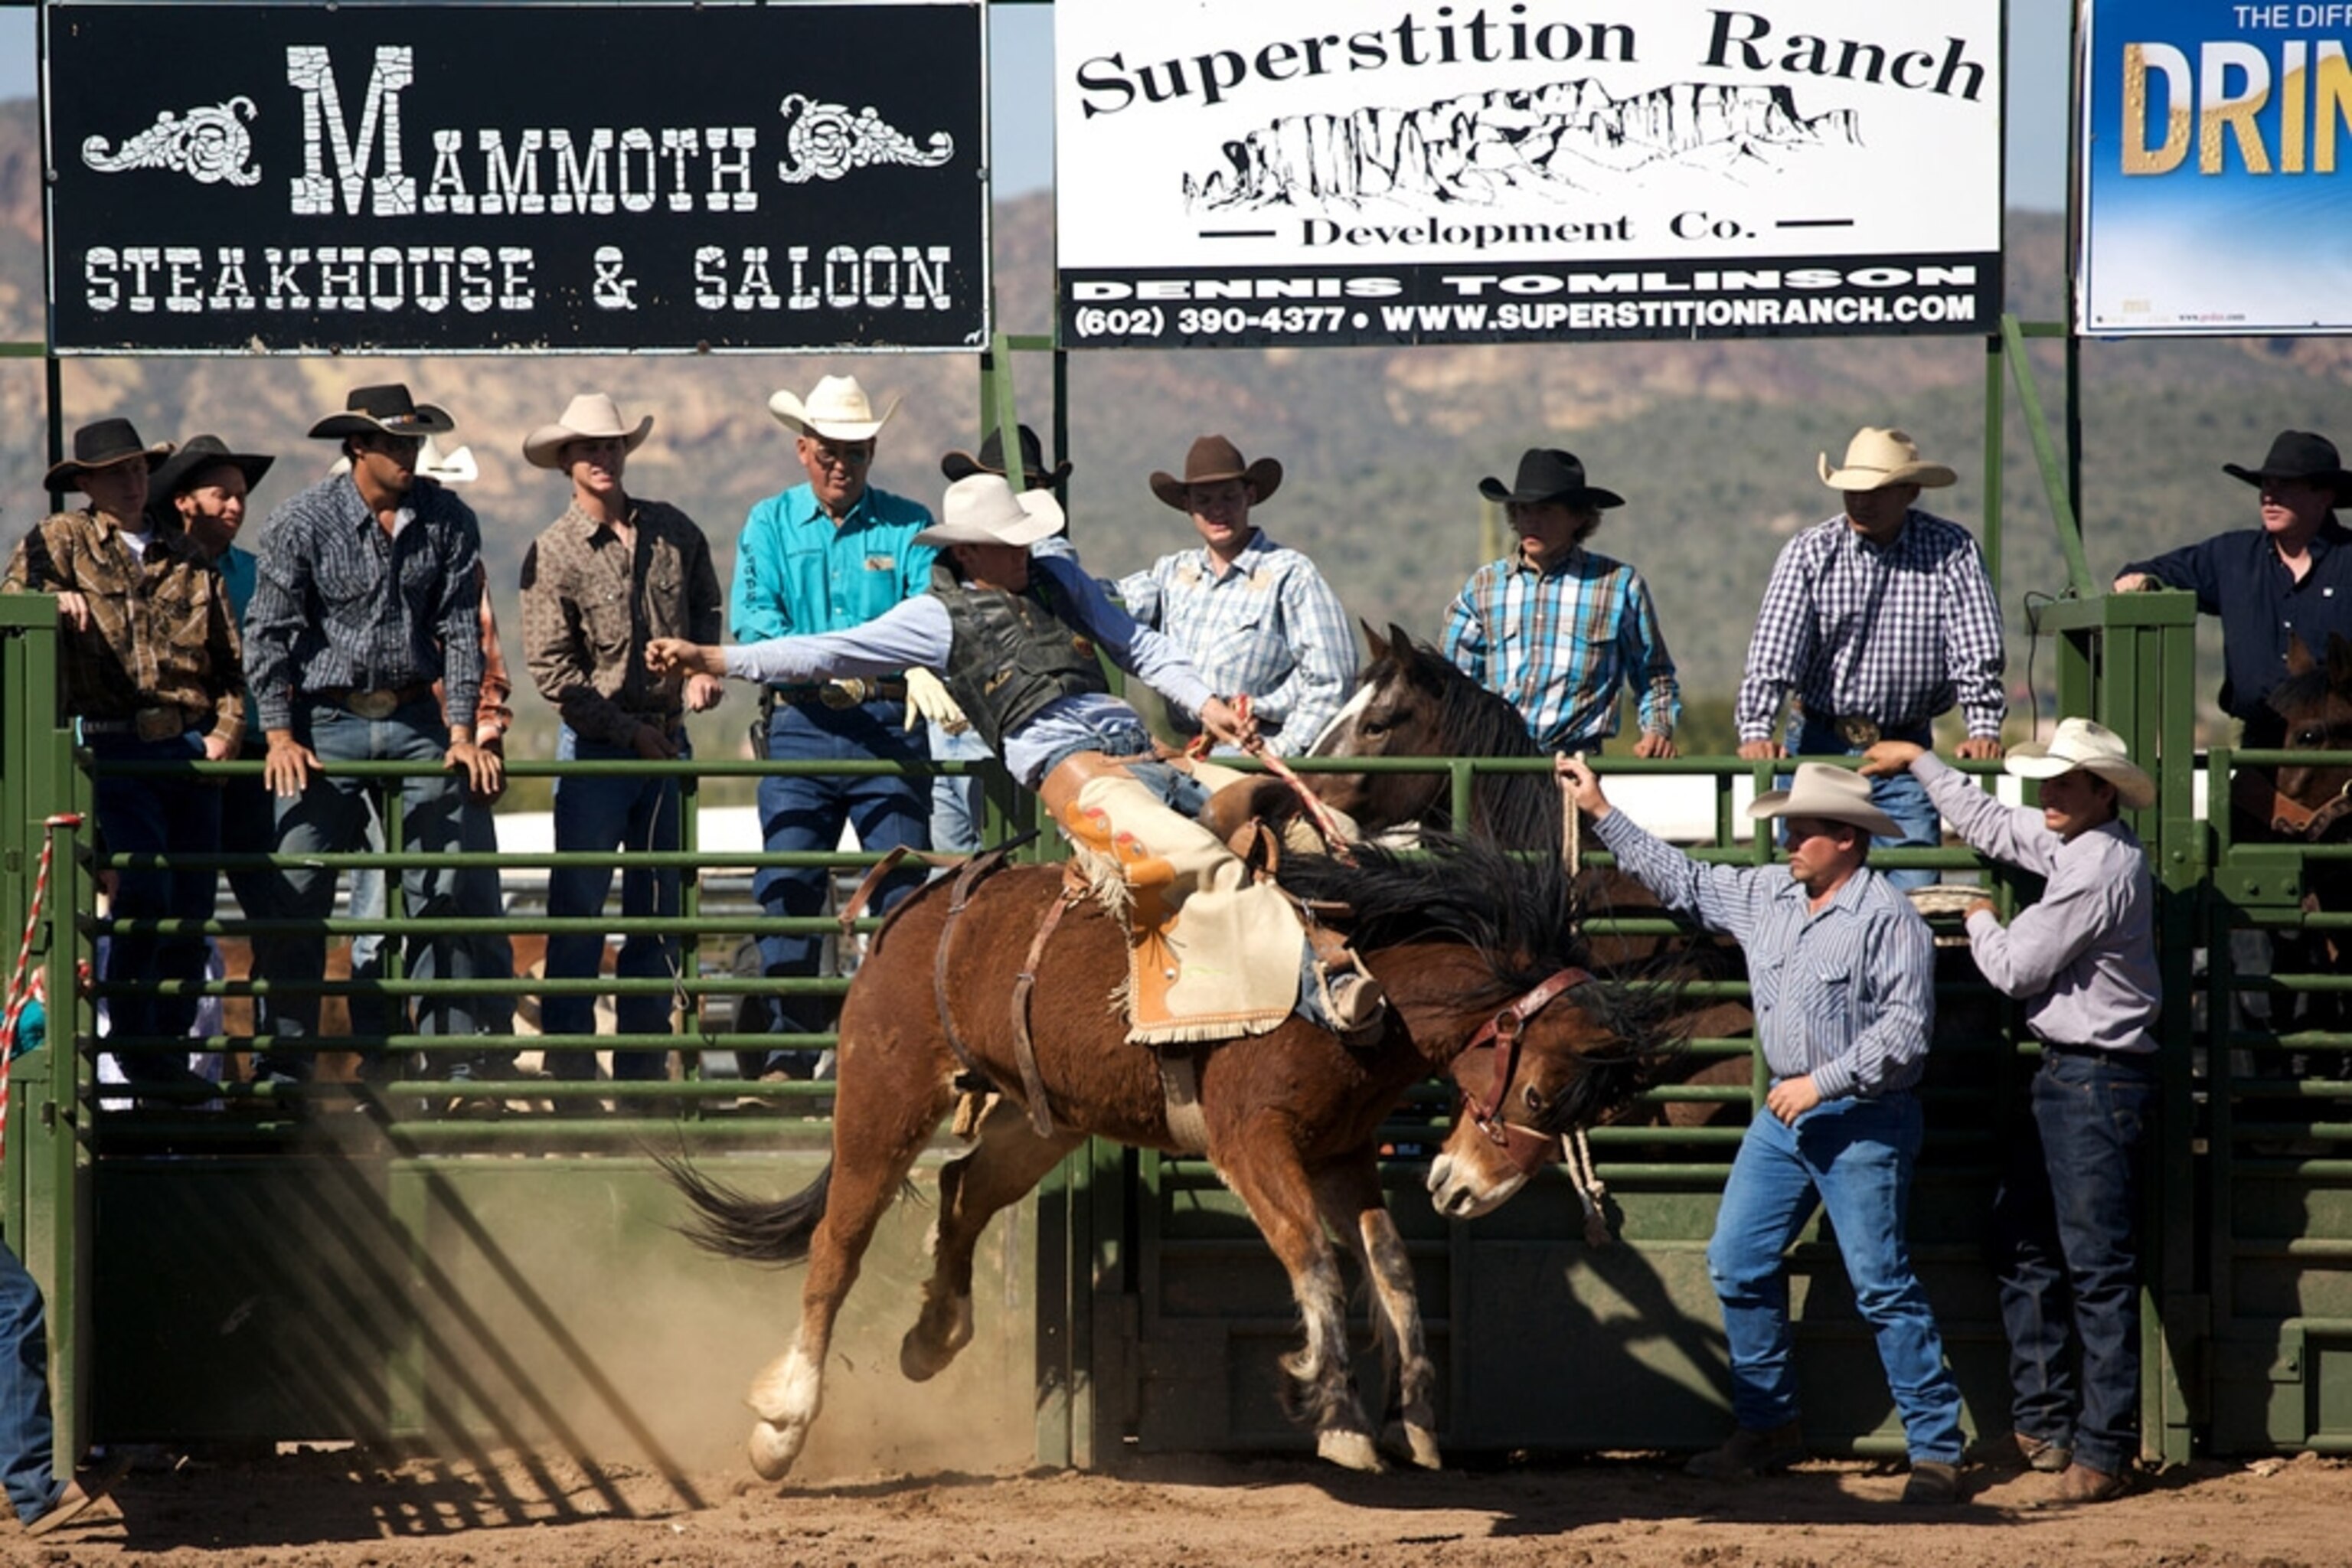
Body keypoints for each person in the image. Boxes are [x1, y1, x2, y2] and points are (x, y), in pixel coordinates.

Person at [651, 473, 1384, 1046]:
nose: (1025, 549)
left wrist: (1209, 701)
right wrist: (713, 655)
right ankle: (1312, 989)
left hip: (1146, 750)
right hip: (1077, 775)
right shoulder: (933, 618)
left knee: (1314, 828)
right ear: (967, 551)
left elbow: (1140, 644)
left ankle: (1363, 962)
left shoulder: (1058, 583)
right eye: (1010, 540)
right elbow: (826, 651)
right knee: (1189, 855)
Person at [1556, 755, 1965, 1505]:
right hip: (1791, 1117)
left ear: (1846, 837)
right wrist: (1600, 809)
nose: (1787, 838)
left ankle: (1937, 1447)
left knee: (1881, 1283)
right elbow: (1683, 878)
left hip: (1862, 1117)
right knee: (1737, 1258)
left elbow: (1906, 1033)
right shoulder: (1769, 894)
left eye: (1802, 828)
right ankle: (1770, 1423)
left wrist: (1821, 1080)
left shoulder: (1888, 921)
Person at [1862, 720, 2160, 1505]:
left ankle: (2101, 1448)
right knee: (2026, 1239)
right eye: (2048, 781)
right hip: (2077, 1076)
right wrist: (1922, 761)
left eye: (2064, 782)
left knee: (2092, 1263)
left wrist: (1976, 917)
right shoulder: (2082, 843)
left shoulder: (2097, 867)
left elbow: (2016, 966)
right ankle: (2046, 1425)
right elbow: (1996, 821)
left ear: (2101, 790)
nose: (2048, 795)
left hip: (2094, 1075)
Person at [241, 384, 498, 1087]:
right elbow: (268, 630)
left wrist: (461, 729)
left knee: (440, 885)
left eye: (414, 441)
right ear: (358, 446)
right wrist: (279, 734)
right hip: (327, 720)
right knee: (297, 886)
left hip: (417, 718)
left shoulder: (448, 519)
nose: (409, 452)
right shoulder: (302, 520)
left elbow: (458, 630)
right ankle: (284, 1065)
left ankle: (452, 1065)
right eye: (395, 442)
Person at [4, 419, 243, 1095]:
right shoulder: (59, 542)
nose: (133, 483)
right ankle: (140, 1042)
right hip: (110, 741)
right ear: (85, 484)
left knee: (191, 906)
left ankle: (162, 1047)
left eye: (139, 470)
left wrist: (225, 730)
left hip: (188, 746)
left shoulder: (188, 555)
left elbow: (230, 666)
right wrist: (51, 601)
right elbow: (12, 611)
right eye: (116, 474)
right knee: (145, 886)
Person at [521, 393, 724, 1099]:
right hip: (601, 751)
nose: (602, 458)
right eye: (588, 449)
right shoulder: (553, 551)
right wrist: (625, 731)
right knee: (577, 915)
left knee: (659, 917)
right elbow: (553, 671)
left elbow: (708, 608)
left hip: (664, 742)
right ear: (567, 463)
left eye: (610, 446)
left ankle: (643, 1075)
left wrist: (702, 666)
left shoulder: (674, 531)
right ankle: (569, 1073)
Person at [730, 375, 934, 1080]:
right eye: (828, 450)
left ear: (872, 450)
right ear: (802, 448)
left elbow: (927, 614)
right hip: (800, 723)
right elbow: (754, 623)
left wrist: (864, 662)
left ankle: (903, 1058)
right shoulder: (767, 524)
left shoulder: (910, 525)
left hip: (887, 720)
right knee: (787, 884)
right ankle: (786, 1054)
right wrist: (826, 668)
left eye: (855, 449)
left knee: (905, 894)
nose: (840, 462)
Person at [1734, 427, 2007, 891]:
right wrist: (1757, 730)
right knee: (1811, 887)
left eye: (1875, 491)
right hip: (1822, 741)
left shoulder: (1951, 551)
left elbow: (1975, 648)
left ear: (1910, 492)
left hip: (1905, 748)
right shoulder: (1811, 552)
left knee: (1914, 890)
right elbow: (1774, 648)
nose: (1860, 502)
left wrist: (1983, 728)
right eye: (1852, 490)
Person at [2113, 430, 2352, 748]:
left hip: (2339, 749)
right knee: (2242, 796)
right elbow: (2150, 573)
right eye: (2266, 485)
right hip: (2258, 745)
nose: (2270, 495)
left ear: (2325, 496)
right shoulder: (2231, 557)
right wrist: (2139, 580)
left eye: (2286, 485)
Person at [1119, 436, 1355, 756]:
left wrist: (1280, 749)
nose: (1218, 510)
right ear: (1188, 506)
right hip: (1191, 745)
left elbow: (1331, 680)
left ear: (1249, 496)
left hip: (1256, 745)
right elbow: (1112, 602)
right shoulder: (1172, 573)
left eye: (1229, 497)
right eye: (1204, 501)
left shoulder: (1291, 575)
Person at [1441, 447, 1679, 756]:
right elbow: (1450, 681)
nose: (1531, 521)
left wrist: (1657, 729)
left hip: (1577, 763)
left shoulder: (1617, 585)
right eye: (1524, 510)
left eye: (1546, 511)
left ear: (1578, 517)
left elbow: (1654, 674)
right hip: (1497, 765)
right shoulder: (1483, 587)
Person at [919, 425, 1071, 852]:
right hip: (951, 730)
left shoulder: (1047, 559)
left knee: (1003, 863)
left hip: (999, 733)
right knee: (950, 868)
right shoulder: (957, 573)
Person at [149, 435, 276, 940]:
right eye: (221, 494)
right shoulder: (150, 570)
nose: (235, 505)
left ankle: (280, 1019)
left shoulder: (258, 574)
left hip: (252, 752)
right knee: (177, 903)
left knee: (274, 907)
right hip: (177, 750)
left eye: (241, 494)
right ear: (184, 500)